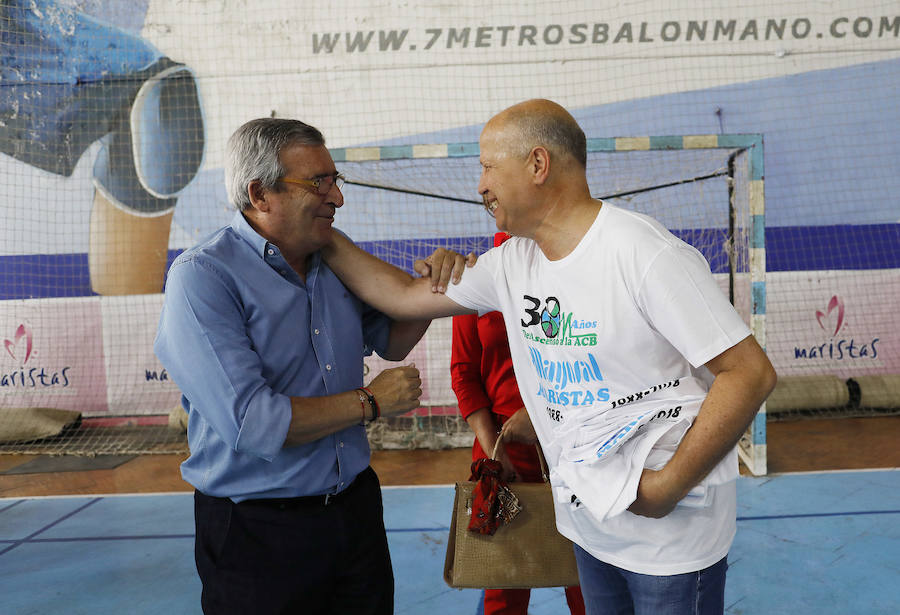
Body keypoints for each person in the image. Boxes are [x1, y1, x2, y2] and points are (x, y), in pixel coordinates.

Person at [319, 99, 778, 615]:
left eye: (488, 166)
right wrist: (321, 233)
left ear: (537, 165)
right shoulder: (511, 263)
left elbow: (750, 373)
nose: (480, 185)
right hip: (587, 524)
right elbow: (402, 296)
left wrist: (668, 487)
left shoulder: (642, 253)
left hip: (667, 540)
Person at [153, 117, 468, 615]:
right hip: (257, 531)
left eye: (334, 179)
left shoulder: (331, 258)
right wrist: (370, 403)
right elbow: (255, 423)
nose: (336, 197)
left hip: (353, 512)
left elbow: (392, 338)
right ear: (260, 194)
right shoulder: (204, 277)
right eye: (317, 183)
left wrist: (437, 284)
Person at [451, 231, 585, 615]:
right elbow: (464, 373)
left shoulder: (572, 272)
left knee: (586, 581)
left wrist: (545, 416)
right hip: (498, 452)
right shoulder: (477, 278)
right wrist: (494, 444)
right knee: (503, 586)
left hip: (572, 445)